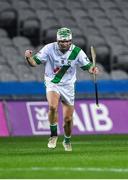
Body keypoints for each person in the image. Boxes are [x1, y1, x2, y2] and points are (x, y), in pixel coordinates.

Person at [25, 27, 99, 152]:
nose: (65, 44)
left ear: (71, 41)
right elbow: (34, 63)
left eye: (67, 41)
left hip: (69, 86)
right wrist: (28, 58)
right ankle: (53, 136)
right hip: (52, 83)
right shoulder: (49, 49)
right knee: (53, 107)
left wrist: (93, 69)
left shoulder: (77, 51)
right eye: (62, 41)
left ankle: (67, 140)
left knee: (68, 120)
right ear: (57, 41)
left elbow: (88, 67)